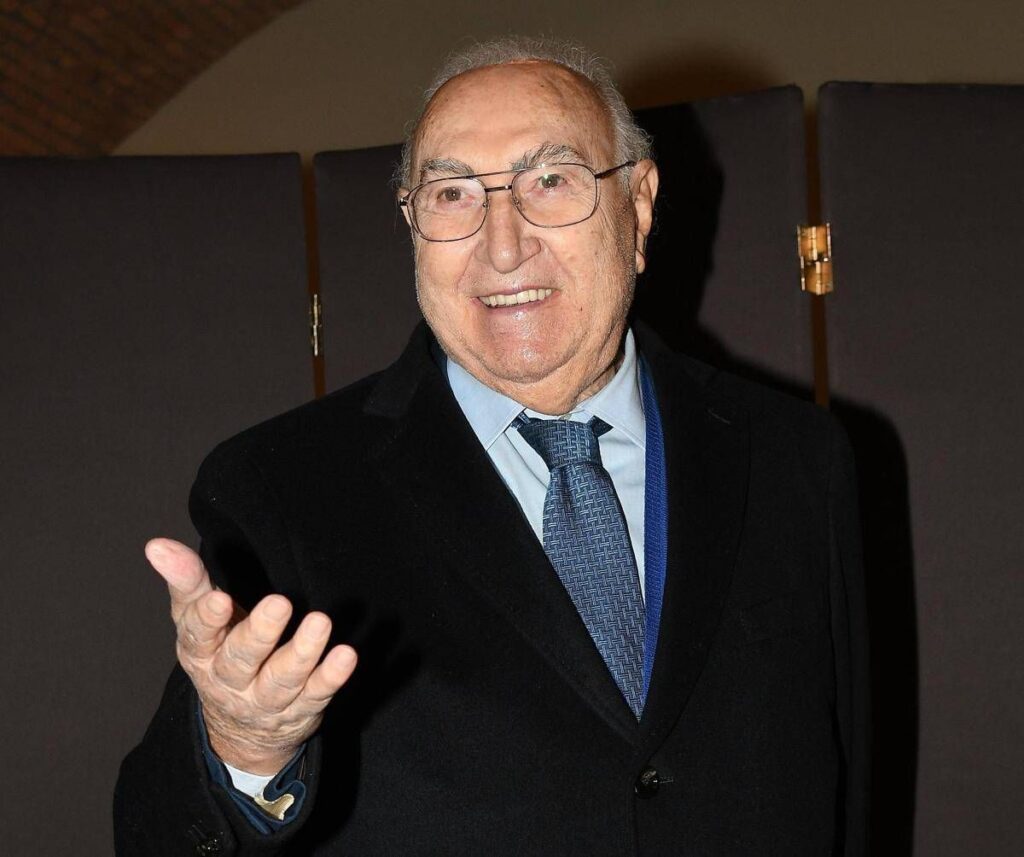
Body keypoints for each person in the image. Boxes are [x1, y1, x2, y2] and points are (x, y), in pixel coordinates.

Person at [115, 37, 867, 856]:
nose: (503, 245)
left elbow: (848, 779)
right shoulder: (282, 488)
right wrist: (244, 747)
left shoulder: (796, 456)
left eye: (552, 180)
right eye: (452, 194)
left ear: (640, 205)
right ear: (411, 223)